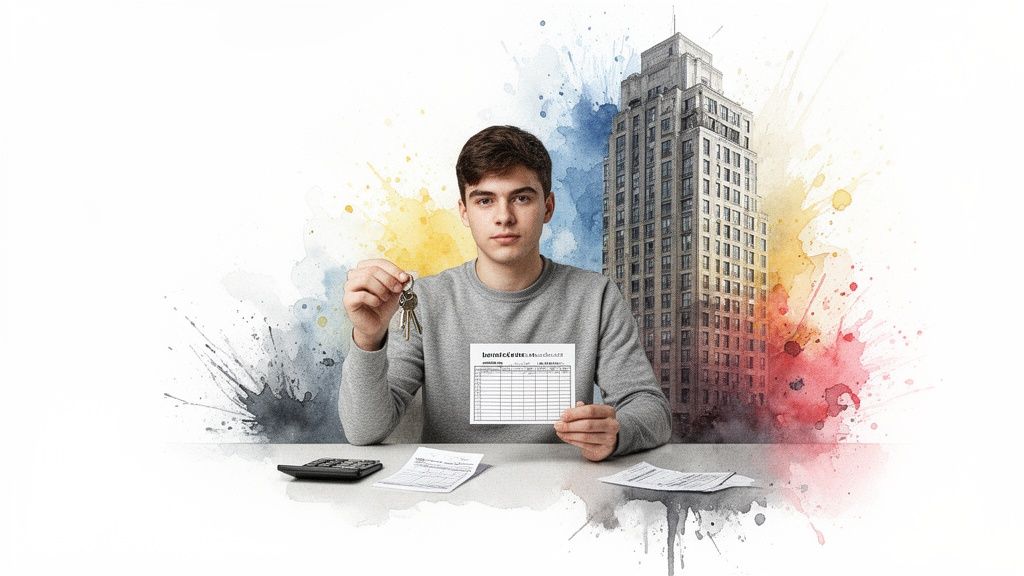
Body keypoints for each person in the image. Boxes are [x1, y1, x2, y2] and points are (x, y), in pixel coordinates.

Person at [340, 125, 671, 461]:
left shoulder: (596, 296)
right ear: (464, 212)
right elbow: (364, 431)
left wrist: (616, 433)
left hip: (562, 490)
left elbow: (652, 410)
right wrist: (368, 338)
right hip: (452, 496)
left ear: (548, 207)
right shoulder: (422, 301)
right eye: (485, 200)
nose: (504, 217)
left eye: (522, 198)